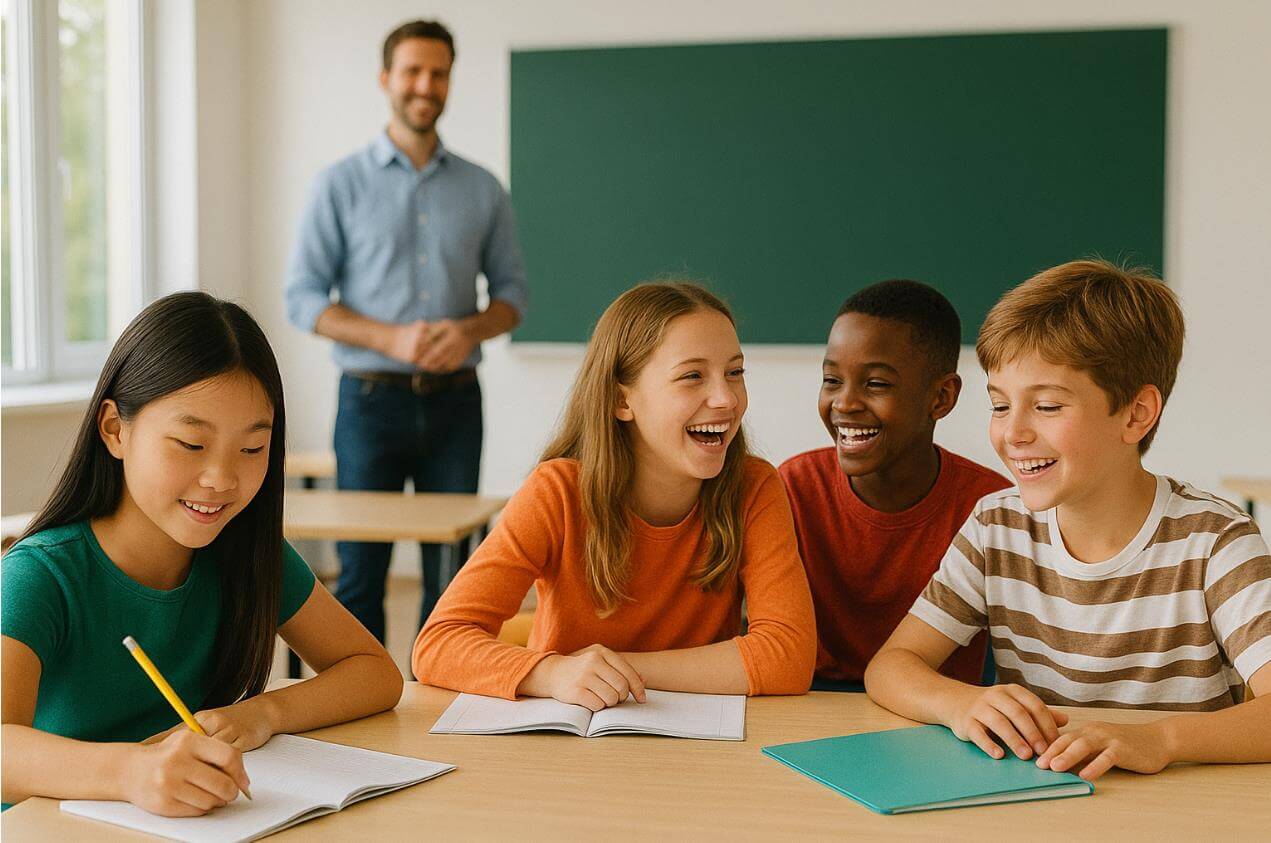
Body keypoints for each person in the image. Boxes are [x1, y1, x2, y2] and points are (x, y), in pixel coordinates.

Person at [864, 260, 1271, 780]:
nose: (1013, 434)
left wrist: (1159, 739)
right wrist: (958, 704)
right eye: (999, 405)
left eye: (1048, 406)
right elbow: (891, 667)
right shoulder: (997, 528)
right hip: (1045, 801)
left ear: (1135, 414)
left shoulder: (1216, 541)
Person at [2, 293, 403, 816]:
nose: (221, 480)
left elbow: (375, 672)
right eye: (191, 444)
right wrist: (130, 773)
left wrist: (263, 714)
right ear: (115, 429)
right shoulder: (40, 576)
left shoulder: (251, 556)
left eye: (252, 449)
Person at [412, 282, 816, 706]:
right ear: (622, 400)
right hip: (567, 742)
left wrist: (612, 669)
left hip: (699, 745)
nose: (726, 398)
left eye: (735, 372)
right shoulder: (557, 493)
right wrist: (550, 673)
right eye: (692, 376)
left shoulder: (754, 487)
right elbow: (438, 644)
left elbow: (788, 657)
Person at [284, 19, 528, 641]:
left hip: (455, 403)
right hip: (368, 404)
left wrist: (469, 330)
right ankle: (357, 706)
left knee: (452, 578)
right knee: (361, 572)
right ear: (385, 78)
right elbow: (303, 299)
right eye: (413, 71)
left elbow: (512, 299)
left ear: (450, 80)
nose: (426, 85)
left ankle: (436, 702)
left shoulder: (483, 189)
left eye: (438, 73)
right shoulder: (338, 185)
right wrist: (388, 338)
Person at [779, 280, 1008, 689]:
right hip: (812, 709)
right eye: (832, 380)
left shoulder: (990, 508)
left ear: (941, 397)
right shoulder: (793, 488)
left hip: (936, 714)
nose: (845, 403)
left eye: (876, 384)